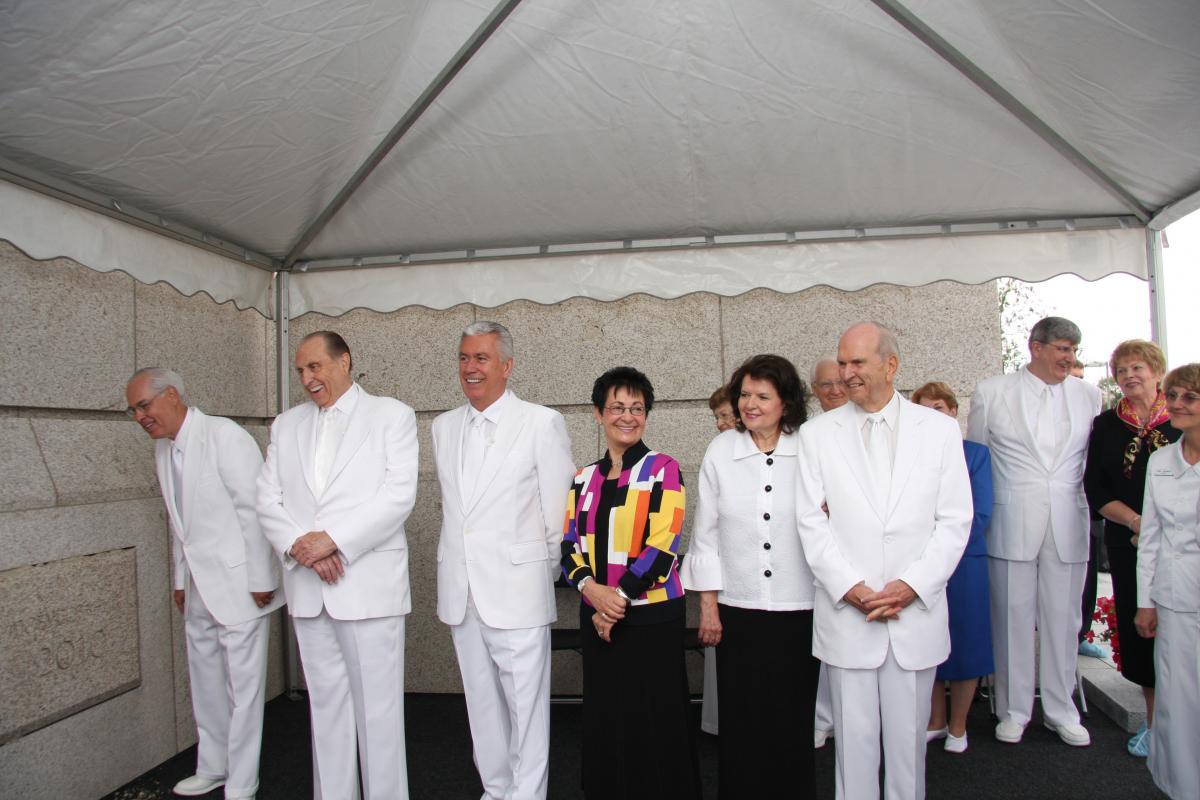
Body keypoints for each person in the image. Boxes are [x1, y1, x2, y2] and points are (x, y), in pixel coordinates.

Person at [796, 323, 971, 800]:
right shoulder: (816, 435)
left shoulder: (937, 430)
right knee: (852, 746)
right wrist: (850, 587)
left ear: (891, 366)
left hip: (914, 614)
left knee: (908, 747)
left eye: (857, 363)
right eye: (842, 362)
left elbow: (955, 519)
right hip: (848, 614)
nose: (845, 373)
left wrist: (911, 586)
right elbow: (809, 521)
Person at [256, 331, 419, 800]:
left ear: (344, 361)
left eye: (315, 367)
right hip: (309, 588)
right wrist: (300, 547)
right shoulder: (285, 425)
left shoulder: (393, 415)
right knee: (325, 709)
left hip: (368, 587)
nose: (307, 378)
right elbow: (266, 498)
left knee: (378, 713)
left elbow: (397, 496)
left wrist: (333, 543)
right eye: (300, 370)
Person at [431, 321, 575, 800]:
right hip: (462, 590)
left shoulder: (541, 422)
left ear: (507, 366)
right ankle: (495, 789)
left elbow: (559, 512)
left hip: (517, 590)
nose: (470, 368)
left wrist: (537, 572)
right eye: (464, 357)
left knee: (526, 707)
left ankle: (528, 794)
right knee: (481, 705)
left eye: (482, 358)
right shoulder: (442, 426)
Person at [126, 368, 282, 800]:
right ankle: (213, 766)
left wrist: (261, 577)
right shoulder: (163, 449)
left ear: (172, 395)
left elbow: (255, 510)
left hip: (241, 586)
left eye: (144, 405)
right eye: (133, 409)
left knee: (244, 690)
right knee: (206, 682)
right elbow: (182, 526)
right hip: (197, 589)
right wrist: (180, 579)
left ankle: (242, 782)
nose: (140, 416)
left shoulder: (224, 435)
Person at [561, 367, 700, 799]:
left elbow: (664, 546)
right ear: (598, 413)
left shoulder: (664, 469)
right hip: (598, 614)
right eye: (617, 407)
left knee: (656, 716)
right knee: (606, 716)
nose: (628, 416)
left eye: (637, 408)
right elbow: (569, 547)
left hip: (651, 615)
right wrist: (592, 592)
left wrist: (616, 600)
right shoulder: (583, 478)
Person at [683, 354, 818, 797]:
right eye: (744, 395)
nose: (750, 404)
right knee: (741, 720)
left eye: (763, 396)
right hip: (737, 609)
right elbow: (706, 534)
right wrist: (708, 607)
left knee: (792, 717)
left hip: (799, 606)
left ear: (787, 402)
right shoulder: (722, 451)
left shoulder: (812, 446)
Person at [968, 316, 1101, 747]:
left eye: (1073, 350)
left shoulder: (1090, 396)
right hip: (1011, 522)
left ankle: (1061, 709)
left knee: (1065, 621)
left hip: (1067, 521)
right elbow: (979, 464)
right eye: (1062, 348)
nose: (1069, 358)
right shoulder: (992, 391)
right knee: (1011, 618)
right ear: (1036, 347)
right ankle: (1012, 709)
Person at [1084, 340, 1179, 757]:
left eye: (1137, 367)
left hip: (1184, 545)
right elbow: (1096, 487)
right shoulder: (1105, 425)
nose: (1129, 376)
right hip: (1129, 544)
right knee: (1144, 632)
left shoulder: (1183, 419)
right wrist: (1139, 523)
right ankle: (1156, 727)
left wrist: (1161, 529)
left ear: (1158, 371)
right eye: (1121, 370)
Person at [912, 381, 994, 754]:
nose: (934, 415)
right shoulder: (910, 457)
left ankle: (959, 725)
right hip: (921, 565)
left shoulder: (975, 454)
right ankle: (936, 719)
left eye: (940, 408)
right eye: (925, 409)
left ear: (953, 412)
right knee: (927, 641)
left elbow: (980, 513)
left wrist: (942, 543)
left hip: (965, 564)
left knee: (968, 643)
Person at [1134, 363, 1200, 800]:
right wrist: (1145, 602)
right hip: (1174, 597)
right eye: (1172, 395)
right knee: (1179, 698)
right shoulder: (1159, 459)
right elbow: (1151, 537)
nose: (1175, 403)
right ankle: (1182, 787)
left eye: (1188, 397)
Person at [809, 355, 849, 747]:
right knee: (825, 642)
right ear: (813, 392)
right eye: (825, 385)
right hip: (821, 556)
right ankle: (823, 717)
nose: (835, 390)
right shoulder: (807, 434)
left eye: (840, 382)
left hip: (871, 556)